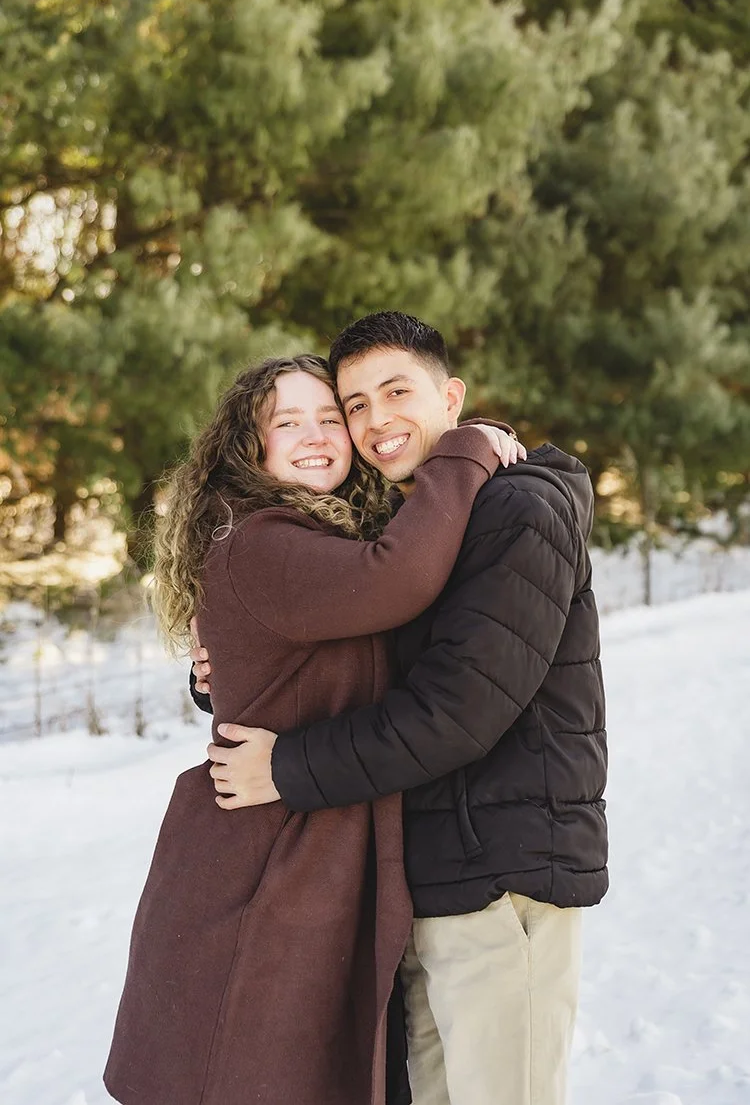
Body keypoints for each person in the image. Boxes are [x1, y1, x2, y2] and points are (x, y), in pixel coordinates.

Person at [192, 312, 608, 1105]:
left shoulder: (518, 509)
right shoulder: (413, 525)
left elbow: (457, 711)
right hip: (426, 885)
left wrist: (286, 765)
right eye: (356, 404)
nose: (376, 420)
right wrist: (226, 667)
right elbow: (351, 660)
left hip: (503, 879)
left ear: (451, 396)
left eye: (396, 391)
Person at [104, 352, 521, 1105]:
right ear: (248, 447)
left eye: (331, 417)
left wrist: (218, 676)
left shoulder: (319, 532)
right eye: (287, 422)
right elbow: (396, 578)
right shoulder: (265, 540)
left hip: (299, 849)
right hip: (264, 868)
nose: (317, 434)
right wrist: (469, 448)